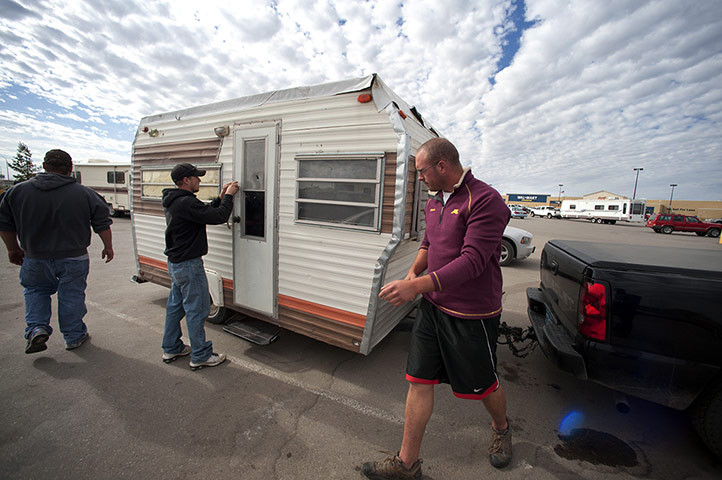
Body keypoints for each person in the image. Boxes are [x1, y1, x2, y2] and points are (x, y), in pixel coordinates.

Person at [361, 138, 512, 479]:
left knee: (484, 384)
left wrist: (414, 286)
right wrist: (415, 269)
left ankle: (501, 428)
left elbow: (472, 262)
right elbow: (429, 242)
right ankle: (407, 464)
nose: (419, 178)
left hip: (471, 314)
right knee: (419, 380)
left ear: (442, 166)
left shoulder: (486, 200)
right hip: (433, 307)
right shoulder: (434, 201)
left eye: (422, 171)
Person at [0, 149, 114, 354]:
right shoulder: (85, 193)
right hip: (74, 257)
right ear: (70, 169)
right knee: (71, 295)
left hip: (34, 256)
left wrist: (12, 249)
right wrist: (108, 246)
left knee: (36, 290)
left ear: (44, 166)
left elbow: (4, 223)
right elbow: (102, 223)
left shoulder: (17, 191)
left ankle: (36, 329)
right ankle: (74, 336)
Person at [161, 163, 239, 371]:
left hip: (177, 264)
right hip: (189, 265)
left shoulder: (176, 200)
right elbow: (219, 217)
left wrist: (221, 198)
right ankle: (201, 355)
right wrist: (230, 196)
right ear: (186, 180)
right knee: (197, 310)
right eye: (196, 177)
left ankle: (171, 347)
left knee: (175, 308)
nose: (199, 180)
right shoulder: (185, 203)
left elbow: (203, 212)